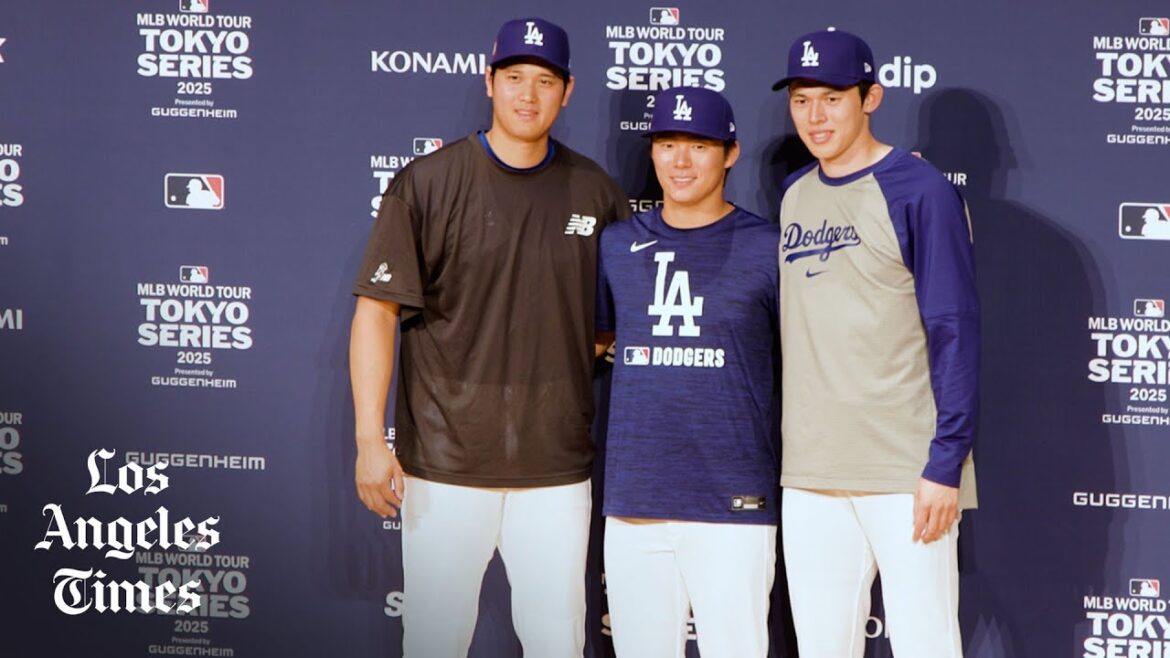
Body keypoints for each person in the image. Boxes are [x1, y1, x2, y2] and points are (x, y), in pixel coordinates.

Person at [348, 17, 629, 658]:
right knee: (434, 643)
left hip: (555, 470)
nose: (528, 94)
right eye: (514, 78)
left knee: (558, 642)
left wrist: (546, 365)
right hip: (443, 467)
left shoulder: (597, 193)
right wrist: (370, 439)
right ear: (490, 82)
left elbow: (612, 323)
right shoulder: (429, 182)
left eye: (544, 80)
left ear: (568, 90)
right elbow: (376, 313)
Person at [772, 28, 980, 658]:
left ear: (871, 97)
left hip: (905, 473)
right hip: (810, 475)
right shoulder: (794, 196)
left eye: (832, 98)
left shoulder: (921, 191)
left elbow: (955, 329)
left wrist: (946, 462)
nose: (815, 116)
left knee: (926, 644)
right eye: (802, 99)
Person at [596, 86, 781, 658]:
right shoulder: (614, 244)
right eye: (666, 143)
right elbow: (598, 338)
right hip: (635, 501)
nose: (679, 161)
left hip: (736, 503)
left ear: (730, 153)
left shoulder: (768, 247)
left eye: (698, 145)